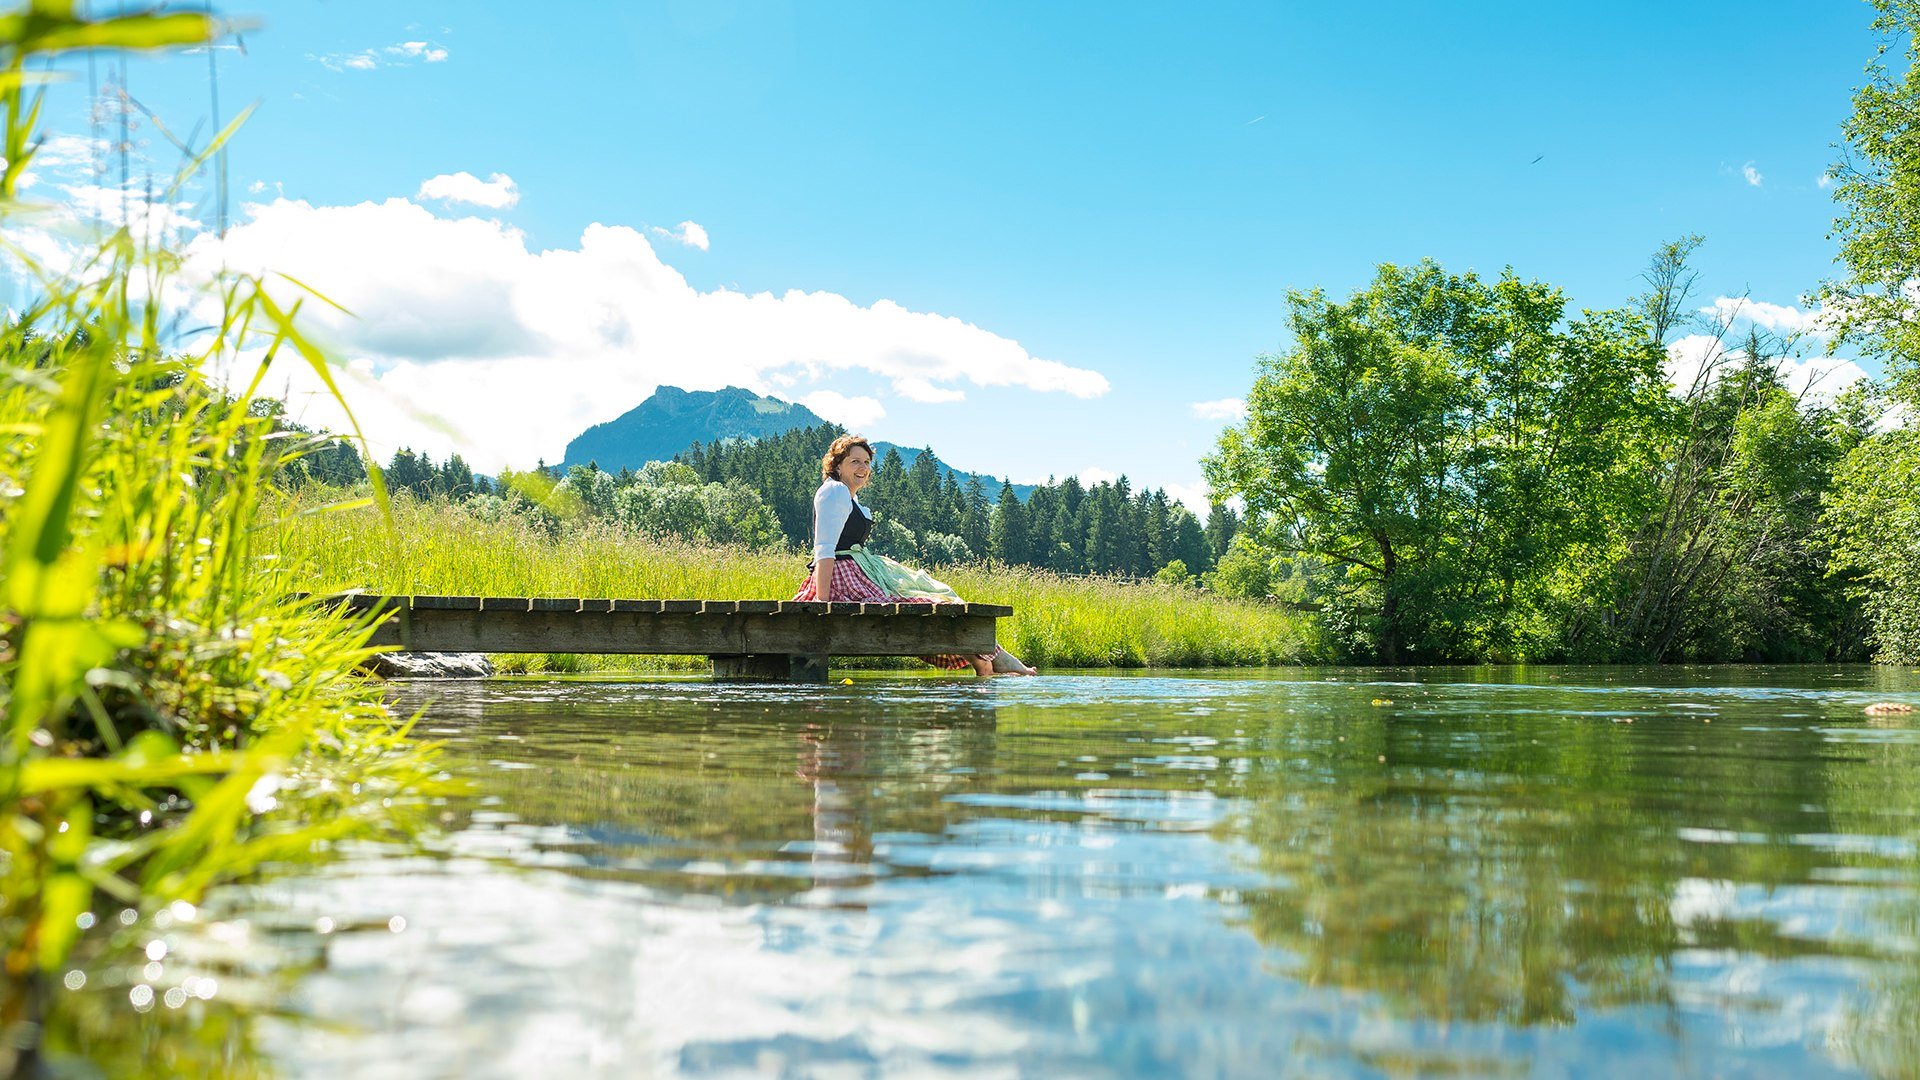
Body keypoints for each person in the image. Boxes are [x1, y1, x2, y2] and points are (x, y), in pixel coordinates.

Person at [793, 434, 1036, 677]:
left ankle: (988, 661)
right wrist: (822, 604)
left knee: (934, 596)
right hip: (842, 580)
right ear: (837, 465)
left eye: (867, 463)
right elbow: (824, 549)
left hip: (856, 574)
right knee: (927, 604)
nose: (863, 468)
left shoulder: (849, 496)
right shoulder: (834, 491)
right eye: (855, 461)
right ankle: (992, 660)